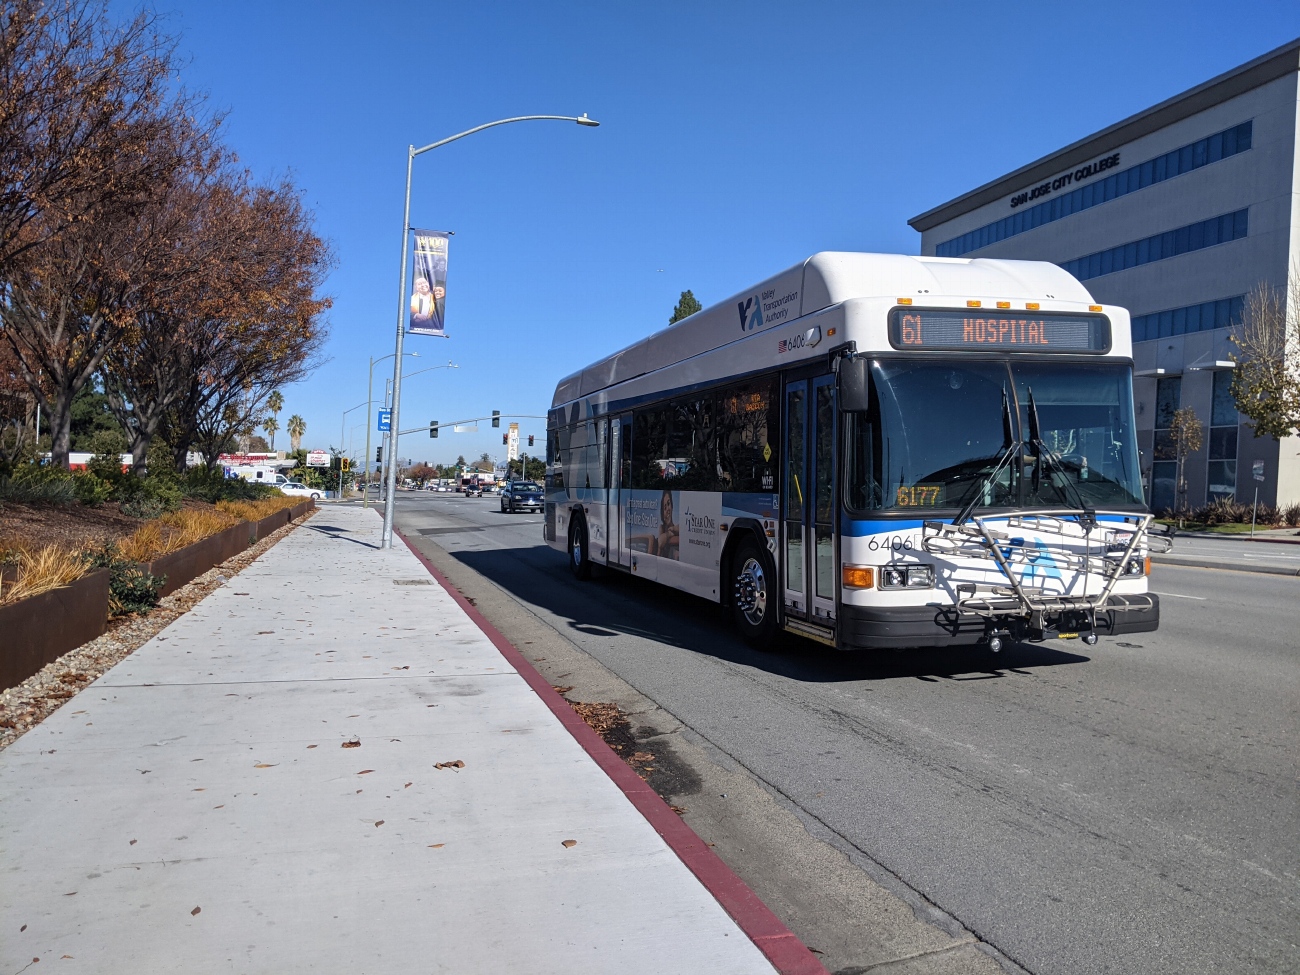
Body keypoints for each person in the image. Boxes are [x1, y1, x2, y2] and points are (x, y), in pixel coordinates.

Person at [657, 488, 679, 560]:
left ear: (672, 506)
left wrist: (673, 529)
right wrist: (670, 533)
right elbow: (660, 542)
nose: (667, 510)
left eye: (669, 504)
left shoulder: (677, 528)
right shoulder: (662, 528)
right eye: (664, 508)